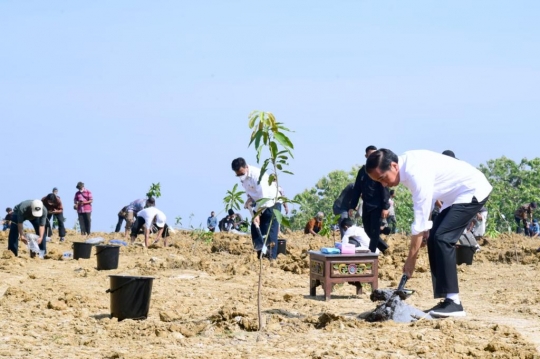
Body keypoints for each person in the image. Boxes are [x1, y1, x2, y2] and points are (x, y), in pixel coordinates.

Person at [366, 148, 492, 317]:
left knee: (442, 238)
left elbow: (419, 222)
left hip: (472, 189)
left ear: (394, 166)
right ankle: (448, 300)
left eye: (382, 178)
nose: (383, 184)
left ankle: (454, 303)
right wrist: (426, 230)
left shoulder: (414, 173)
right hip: (453, 195)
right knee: (435, 238)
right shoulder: (407, 168)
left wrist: (411, 261)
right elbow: (427, 204)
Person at [231, 157, 281, 259]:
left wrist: (257, 214)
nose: (240, 176)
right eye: (238, 174)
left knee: (269, 232)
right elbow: (252, 192)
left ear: (246, 167)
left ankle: (271, 259)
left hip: (271, 203)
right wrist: (250, 199)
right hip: (260, 204)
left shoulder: (257, 175)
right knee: (255, 229)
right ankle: (261, 256)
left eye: (241, 173)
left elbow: (264, 196)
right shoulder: (244, 178)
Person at [349, 145, 391, 253]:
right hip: (367, 205)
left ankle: (372, 253)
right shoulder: (362, 171)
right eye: (370, 155)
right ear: (366, 156)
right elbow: (357, 189)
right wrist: (352, 206)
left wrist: (385, 207)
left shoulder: (379, 170)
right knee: (368, 231)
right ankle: (384, 248)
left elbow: (385, 188)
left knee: (375, 231)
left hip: (378, 206)